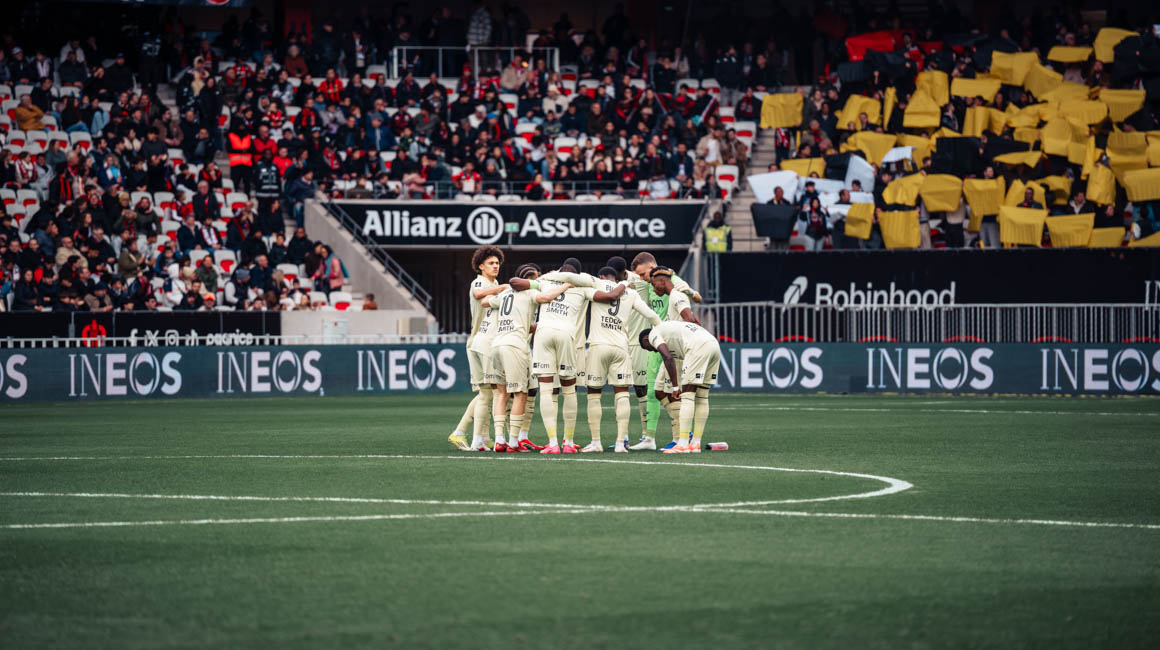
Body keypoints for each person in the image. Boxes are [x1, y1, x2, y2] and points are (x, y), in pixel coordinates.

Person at [527, 261, 625, 454]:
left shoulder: (545, 281)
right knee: (569, 390)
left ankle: (552, 443)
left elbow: (518, 283)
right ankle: (569, 442)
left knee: (546, 390)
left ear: (560, 271)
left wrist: (549, 275)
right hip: (568, 336)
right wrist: (624, 284)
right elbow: (609, 296)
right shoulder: (584, 287)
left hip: (543, 333)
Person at [484, 264, 568, 454]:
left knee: (502, 394)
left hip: (497, 345)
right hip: (515, 346)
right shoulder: (530, 293)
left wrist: (499, 289)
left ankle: (499, 440)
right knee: (520, 393)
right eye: (535, 279)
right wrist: (566, 285)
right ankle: (514, 442)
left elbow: (485, 302)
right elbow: (546, 297)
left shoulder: (505, 294)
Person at [626, 253, 701, 451]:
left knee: (678, 392)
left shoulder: (674, 282)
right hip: (657, 342)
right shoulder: (648, 285)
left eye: (643, 274)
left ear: (652, 268)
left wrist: (692, 293)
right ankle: (649, 438)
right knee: (653, 391)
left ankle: (682, 436)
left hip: (675, 344)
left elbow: (697, 298)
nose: (642, 279)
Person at [583, 266, 660, 452]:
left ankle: (596, 442)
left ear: (602, 276)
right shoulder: (631, 293)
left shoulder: (595, 285)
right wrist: (664, 330)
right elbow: (651, 315)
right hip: (621, 348)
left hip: (598, 346)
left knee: (594, 394)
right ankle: (620, 443)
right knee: (622, 394)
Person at [450, 245, 510, 452]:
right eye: (491, 263)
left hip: (482, 341)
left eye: (497, 263)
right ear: (481, 266)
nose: (495, 266)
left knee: (487, 394)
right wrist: (502, 288)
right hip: (483, 341)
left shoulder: (494, 283)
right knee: (490, 393)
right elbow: (478, 294)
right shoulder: (480, 282)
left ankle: (482, 437)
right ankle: (462, 432)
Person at [639, 319, 722, 453]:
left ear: (646, 340)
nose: (653, 351)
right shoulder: (669, 330)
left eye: (648, 348)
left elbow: (667, 357)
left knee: (687, 396)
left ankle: (682, 443)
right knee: (702, 397)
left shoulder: (654, 333)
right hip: (714, 345)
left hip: (697, 347)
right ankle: (695, 443)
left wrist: (675, 388)